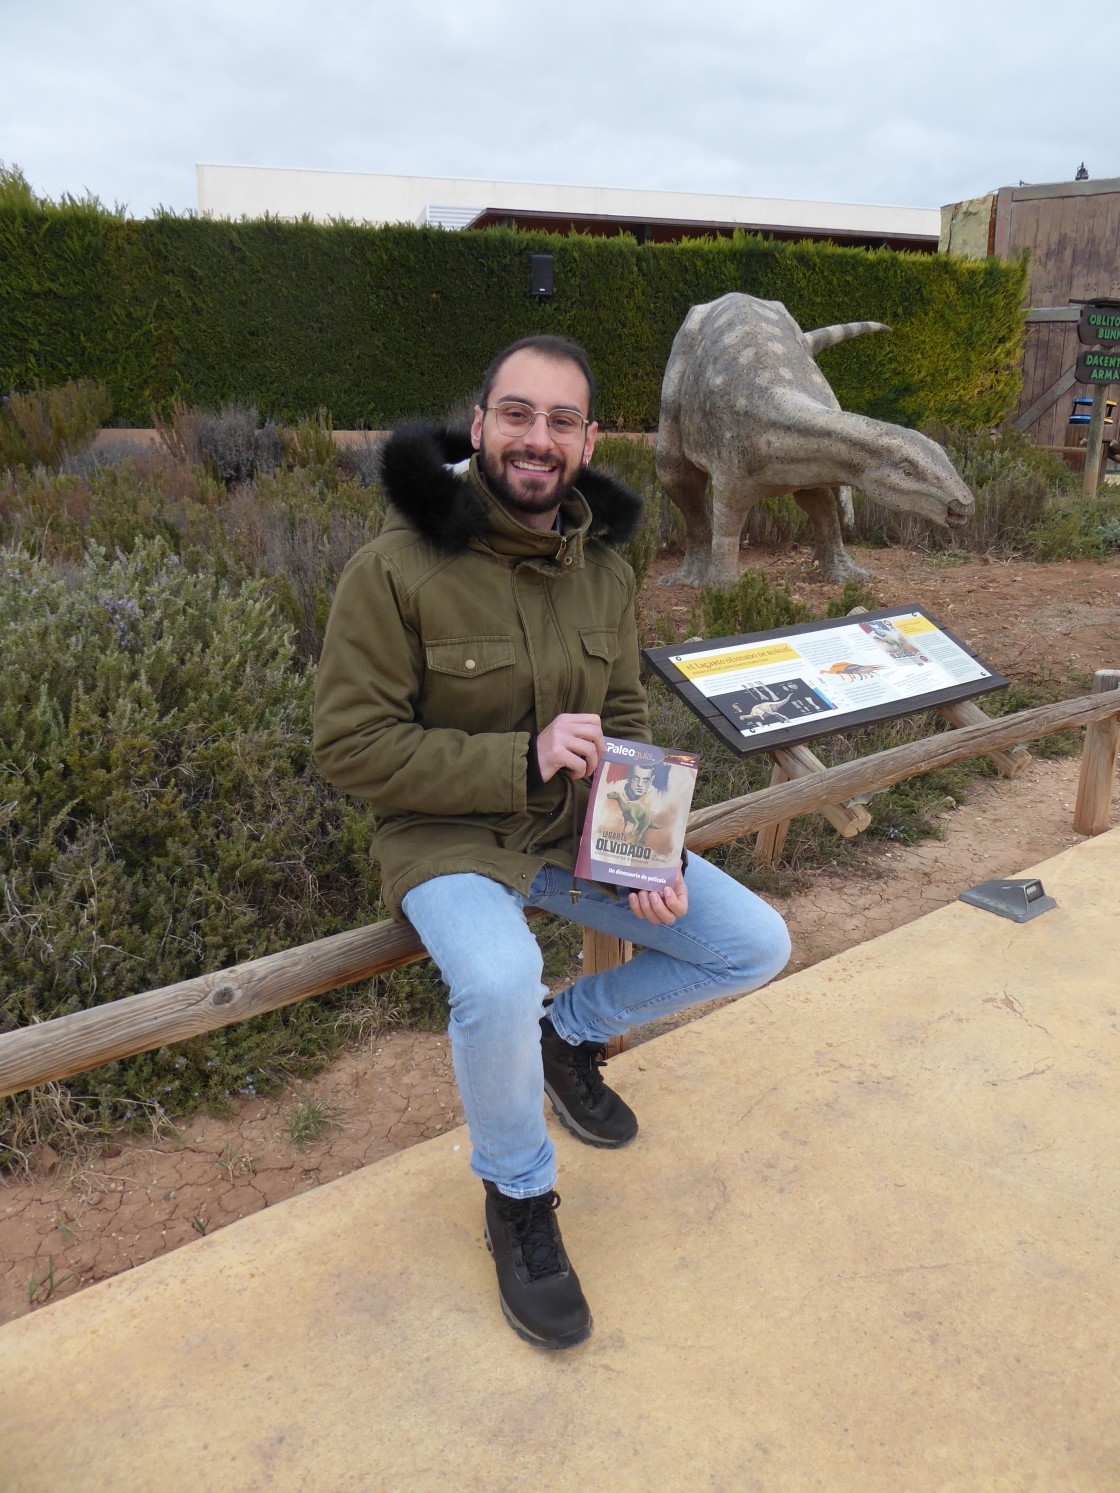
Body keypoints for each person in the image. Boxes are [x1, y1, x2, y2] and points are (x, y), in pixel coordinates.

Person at [313, 335, 790, 1350]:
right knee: (495, 976)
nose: (538, 438)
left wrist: (646, 850)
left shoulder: (605, 572)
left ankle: (567, 1032)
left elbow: (619, 717)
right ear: (479, 425)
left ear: (586, 440)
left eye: (561, 420)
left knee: (753, 942)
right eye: (517, 414)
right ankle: (518, 1194)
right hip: (444, 837)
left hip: (572, 831)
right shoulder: (390, 570)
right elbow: (350, 748)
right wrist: (519, 758)